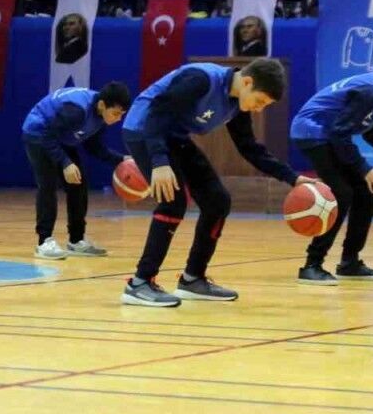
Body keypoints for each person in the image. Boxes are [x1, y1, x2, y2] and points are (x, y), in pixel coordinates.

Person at [119, 59, 317, 307]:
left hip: (173, 136)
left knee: (217, 201)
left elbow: (250, 148)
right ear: (247, 82)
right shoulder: (200, 80)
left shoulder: (238, 104)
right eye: (260, 101)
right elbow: (157, 112)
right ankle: (139, 283)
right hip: (144, 131)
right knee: (173, 202)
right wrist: (159, 162)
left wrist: (292, 177)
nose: (258, 110)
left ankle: (193, 279)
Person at [290, 41, 373, 284]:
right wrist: (364, 168)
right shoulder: (371, 91)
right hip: (312, 133)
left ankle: (349, 262)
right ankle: (312, 264)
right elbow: (339, 133)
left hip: (329, 135)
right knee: (341, 193)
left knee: (367, 190)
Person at [22, 83, 131, 259]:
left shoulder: (100, 116)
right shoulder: (76, 110)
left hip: (60, 138)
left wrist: (121, 159)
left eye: (122, 115)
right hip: (38, 135)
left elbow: (94, 147)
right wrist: (65, 162)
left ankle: (76, 240)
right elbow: (48, 135)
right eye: (116, 113)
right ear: (102, 105)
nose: (118, 119)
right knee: (48, 185)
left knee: (78, 185)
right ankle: (44, 242)